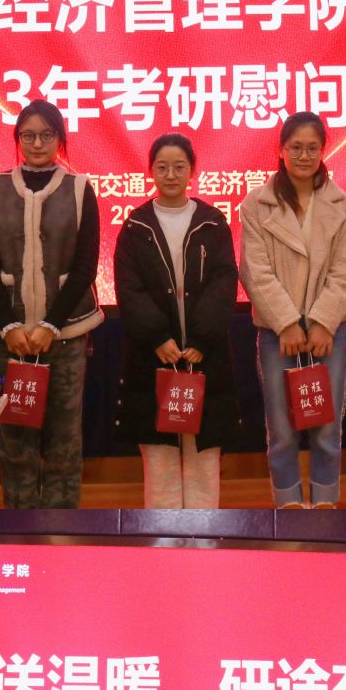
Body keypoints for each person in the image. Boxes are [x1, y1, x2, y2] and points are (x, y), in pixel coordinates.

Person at [0, 100, 103, 507]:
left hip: (65, 334)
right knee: (15, 436)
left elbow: (86, 266)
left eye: (47, 135)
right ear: (17, 139)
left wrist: (50, 325)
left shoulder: (79, 188)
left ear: (60, 138)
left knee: (64, 437)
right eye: (28, 135)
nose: (37, 143)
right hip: (7, 336)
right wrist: (10, 325)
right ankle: (19, 523)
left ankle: (62, 526)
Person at [239, 112, 346, 509]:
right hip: (278, 335)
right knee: (282, 433)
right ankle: (288, 509)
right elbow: (254, 272)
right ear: (281, 150)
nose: (304, 156)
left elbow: (345, 271)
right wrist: (287, 323)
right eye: (296, 148)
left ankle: (325, 508)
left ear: (323, 151)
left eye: (312, 148)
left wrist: (323, 321)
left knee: (327, 430)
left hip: (330, 334)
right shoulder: (257, 204)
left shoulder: (341, 204)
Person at [114, 133, 240, 509]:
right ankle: (164, 535)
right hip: (154, 357)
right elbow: (129, 289)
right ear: (150, 171)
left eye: (179, 167)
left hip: (205, 357)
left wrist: (201, 339)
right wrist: (157, 338)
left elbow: (224, 281)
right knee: (160, 459)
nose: (170, 175)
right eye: (162, 167)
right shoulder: (135, 226)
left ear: (192, 171)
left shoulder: (212, 222)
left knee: (203, 457)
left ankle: (203, 534)